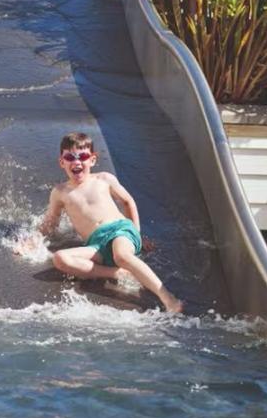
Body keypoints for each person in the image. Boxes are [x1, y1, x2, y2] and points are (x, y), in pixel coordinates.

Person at [18, 132, 183, 313]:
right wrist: (31, 241)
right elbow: (50, 224)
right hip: (96, 244)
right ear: (62, 162)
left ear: (93, 160)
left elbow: (128, 202)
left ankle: (167, 297)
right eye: (70, 157)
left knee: (121, 255)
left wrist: (137, 234)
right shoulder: (60, 192)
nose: (77, 162)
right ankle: (117, 273)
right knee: (60, 259)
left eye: (82, 156)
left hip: (120, 231)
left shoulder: (103, 179)